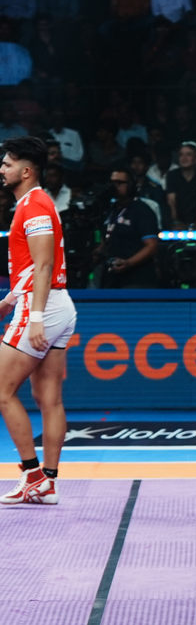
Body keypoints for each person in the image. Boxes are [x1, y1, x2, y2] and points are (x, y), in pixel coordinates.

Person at [0, 136, 74, 506]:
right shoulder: (34, 203)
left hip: (42, 306)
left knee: (2, 390)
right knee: (48, 398)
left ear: (26, 171)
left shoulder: (35, 206)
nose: (1, 169)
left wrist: (36, 317)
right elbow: (33, 266)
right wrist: (8, 301)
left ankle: (31, 475)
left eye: (7, 164)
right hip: (53, 303)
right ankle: (48, 482)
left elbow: (45, 266)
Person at [94, 166, 160, 288]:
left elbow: (152, 246)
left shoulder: (142, 210)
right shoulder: (108, 211)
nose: (114, 187)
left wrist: (129, 263)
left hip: (138, 281)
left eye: (119, 183)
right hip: (112, 279)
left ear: (131, 185)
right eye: (112, 183)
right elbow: (106, 238)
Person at [166, 142, 196, 229]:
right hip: (179, 218)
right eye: (181, 155)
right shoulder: (172, 175)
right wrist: (175, 220)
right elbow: (171, 201)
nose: (184, 158)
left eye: (188, 154)